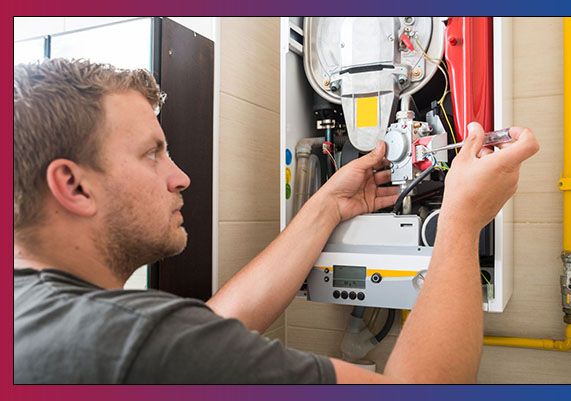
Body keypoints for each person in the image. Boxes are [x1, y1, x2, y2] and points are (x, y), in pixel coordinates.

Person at [13, 58, 539, 384]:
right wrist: (463, 220)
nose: (181, 177)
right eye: (153, 153)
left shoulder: (35, 314)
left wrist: (328, 205)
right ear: (73, 185)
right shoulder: (130, 343)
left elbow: (215, 328)